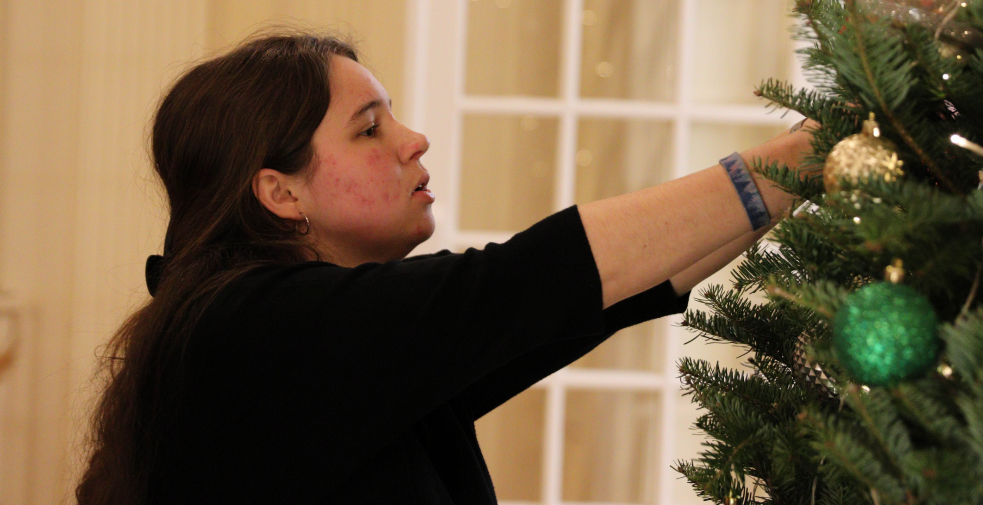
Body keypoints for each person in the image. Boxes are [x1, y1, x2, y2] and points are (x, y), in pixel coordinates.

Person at [75, 32, 817, 505]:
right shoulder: (248, 328)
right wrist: (808, 154)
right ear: (279, 191)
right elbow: (530, 281)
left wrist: (826, 161)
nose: (414, 139)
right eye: (370, 128)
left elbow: (602, 291)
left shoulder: (325, 346)